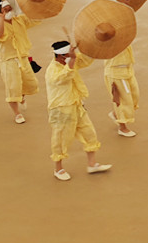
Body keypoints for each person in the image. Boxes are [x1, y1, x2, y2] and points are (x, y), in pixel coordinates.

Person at [45, 41, 112, 181]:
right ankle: (58, 169)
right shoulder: (52, 70)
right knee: (61, 139)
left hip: (76, 105)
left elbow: (85, 60)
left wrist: (90, 45)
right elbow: (64, 77)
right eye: (70, 55)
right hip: (61, 109)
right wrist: (72, 60)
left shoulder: (70, 61)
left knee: (89, 133)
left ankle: (92, 164)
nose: (74, 56)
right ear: (62, 56)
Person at [0, 0, 39, 124]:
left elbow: (35, 18)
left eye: (9, 9)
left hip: (23, 57)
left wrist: (34, 4)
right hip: (9, 60)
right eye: (4, 10)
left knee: (31, 84)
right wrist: (2, 19)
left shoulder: (20, 20)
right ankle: (17, 113)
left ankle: (21, 95)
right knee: (12, 88)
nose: (8, 12)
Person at [104, 45, 141, 138]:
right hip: (116, 73)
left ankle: (116, 114)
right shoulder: (108, 42)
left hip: (128, 69)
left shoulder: (123, 39)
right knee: (122, 101)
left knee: (135, 96)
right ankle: (122, 128)